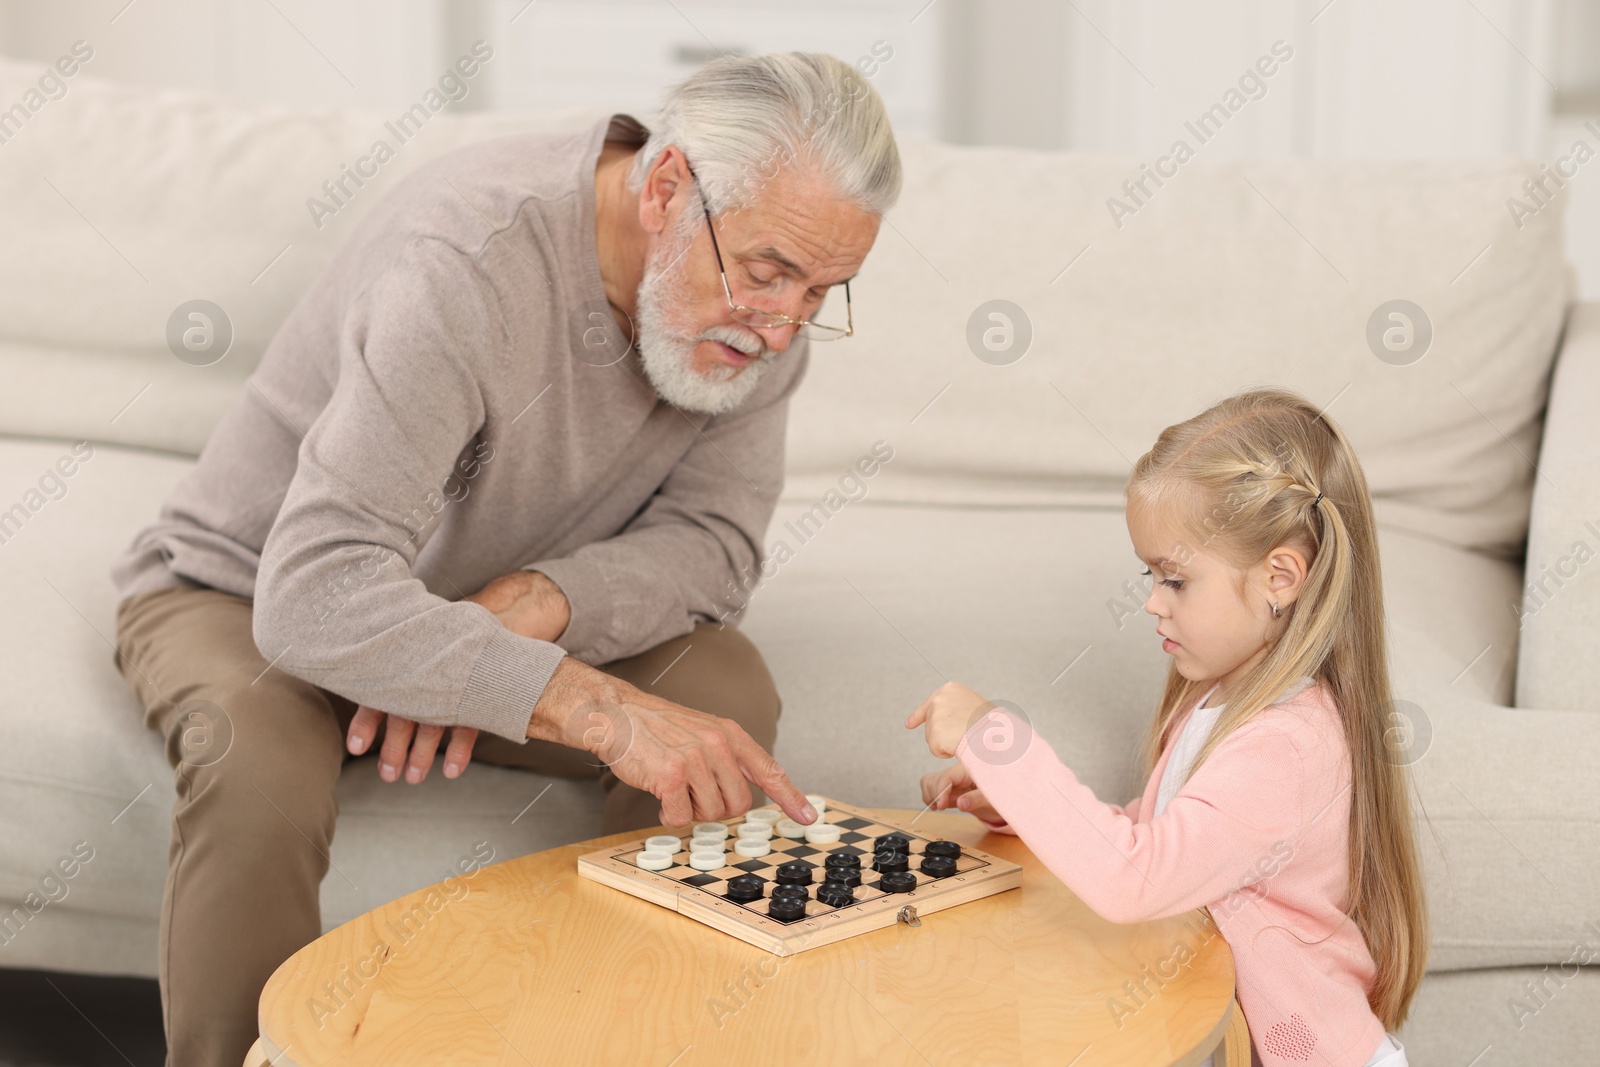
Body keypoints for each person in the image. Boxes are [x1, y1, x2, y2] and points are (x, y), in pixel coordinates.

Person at [110, 52, 900, 1066]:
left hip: (488, 605)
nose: (785, 323)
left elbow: (716, 544)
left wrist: (537, 605)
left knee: (722, 695)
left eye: (823, 290)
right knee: (252, 756)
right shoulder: (468, 259)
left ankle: (626, 1041)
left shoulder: (760, 321)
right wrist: (578, 701)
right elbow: (315, 595)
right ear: (666, 189)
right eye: (766, 272)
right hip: (254, 585)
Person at [907, 388, 1427, 1067]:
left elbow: (1137, 878)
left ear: (1280, 577)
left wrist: (996, 737)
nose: (1150, 601)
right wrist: (1022, 807)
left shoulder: (1287, 747)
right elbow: (1177, 844)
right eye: (1148, 574)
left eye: (1175, 579)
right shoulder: (1221, 700)